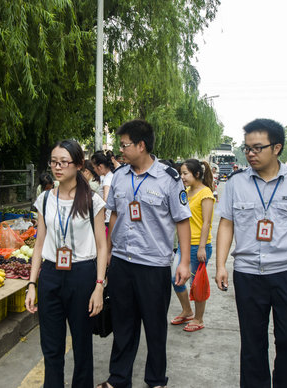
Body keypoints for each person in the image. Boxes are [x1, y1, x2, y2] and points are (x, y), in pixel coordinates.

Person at [215, 118, 287, 388]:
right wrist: (220, 265)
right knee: (252, 343)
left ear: (276, 148)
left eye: (257, 148)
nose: (250, 153)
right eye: (247, 148)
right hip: (249, 274)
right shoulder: (236, 183)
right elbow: (226, 224)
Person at [97, 119, 191, 388]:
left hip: (153, 265)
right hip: (123, 264)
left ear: (141, 145)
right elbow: (114, 214)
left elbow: (182, 220)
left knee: (154, 327)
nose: (120, 150)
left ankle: (156, 380)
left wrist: (184, 261)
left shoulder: (169, 179)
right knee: (123, 324)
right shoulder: (120, 176)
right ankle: (118, 379)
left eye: (124, 144)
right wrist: (109, 253)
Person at [25, 139, 107, 388]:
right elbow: (39, 244)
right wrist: (31, 283)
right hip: (50, 274)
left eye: (63, 162)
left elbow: (102, 246)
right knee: (51, 346)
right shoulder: (45, 199)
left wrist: (99, 286)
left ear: (79, 164)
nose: (57, 167)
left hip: (82, 275)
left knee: (82, 345)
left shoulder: (92, 200)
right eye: (53, 162)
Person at [170, 159, 215, 332]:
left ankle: (199, 318)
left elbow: (206, 223)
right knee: (176, 279)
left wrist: (202, 247)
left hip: (198, 246)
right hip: (184, 244)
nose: (182, 177)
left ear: (197, 174)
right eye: (181, 173)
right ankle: (187, 311)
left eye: (185, 173)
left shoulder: (206, 194)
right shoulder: (185, 192)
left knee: (197, 285)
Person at [91, 152, 114, 227]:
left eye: (94, 168)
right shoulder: (110, 176)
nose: (94, 170)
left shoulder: (107, 179)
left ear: (100, 167)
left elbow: (106, 198)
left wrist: (101, 212)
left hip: (107, 219)